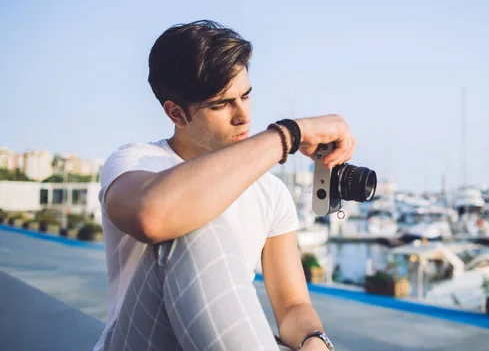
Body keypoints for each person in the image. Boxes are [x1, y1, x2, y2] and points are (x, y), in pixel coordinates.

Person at [94, 20, 356, 351]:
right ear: (176, 113)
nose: (243, 115)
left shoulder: (270, 193)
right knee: (192, 224)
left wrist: (314, 341)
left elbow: (292, 306)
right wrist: (290, 134)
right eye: (222, 104)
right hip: (142, 341)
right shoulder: (136, 162)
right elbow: (153, 217)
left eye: (245, 96)